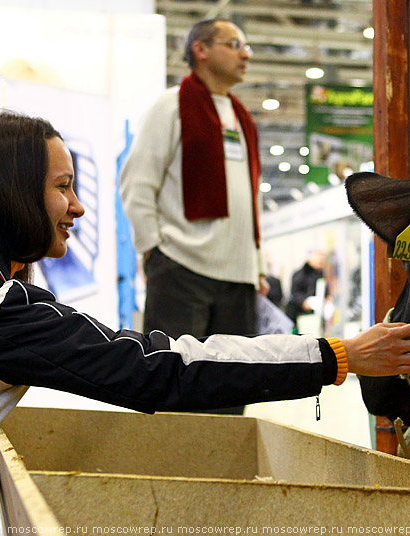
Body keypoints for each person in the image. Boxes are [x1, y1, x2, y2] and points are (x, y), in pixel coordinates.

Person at [0, 110, 410, 530]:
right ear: (13, 192)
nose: (77, 207)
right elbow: (163, 367)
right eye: (62, 187)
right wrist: (339, 354)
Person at [120, 19, 267, 415]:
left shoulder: (241, 118)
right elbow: (137, 183)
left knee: (233, 391)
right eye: (235, 43)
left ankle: (224, 474)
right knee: (171, 386)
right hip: (182, 268)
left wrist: (258, 265)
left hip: (238, 277)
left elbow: (248, 201)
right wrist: (152, 248)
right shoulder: (170, 106)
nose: (246, 53)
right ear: (200, 49)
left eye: (246, 45)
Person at [286, 249, 328, 323]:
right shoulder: (299, 274)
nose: (321, 261)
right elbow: (295, 293)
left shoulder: (322, 274)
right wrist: (303, 302)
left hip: (317, 314)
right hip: (299, 313)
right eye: (319, 258)